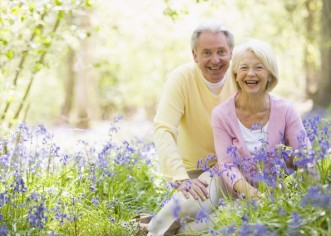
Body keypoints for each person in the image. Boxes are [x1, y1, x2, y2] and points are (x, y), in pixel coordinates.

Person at [147, 21, 237, 235]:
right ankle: (156, 229)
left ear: (231, 53)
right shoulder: (182, 78)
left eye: (221, 52)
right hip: (193, 172)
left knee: (217, 220)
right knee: (188, 205)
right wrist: (180, 178)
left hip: (232, 171)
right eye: (206, 52)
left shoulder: (241, 76)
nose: (215, 60)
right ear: (195, 55)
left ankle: (159, 227)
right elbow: (163, 129)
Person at [211, 39, 311, 199]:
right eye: (244, 68)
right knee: (188, 210)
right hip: (228, 189)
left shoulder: (286, 110)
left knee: (204, 225)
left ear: (270, 75)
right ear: (236, 75)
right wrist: (253, 195)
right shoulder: (221, 114)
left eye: (259, 67)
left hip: (274, 194)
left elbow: (305, 155)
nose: (251, 73)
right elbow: (227, 165)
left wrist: (316, 193)